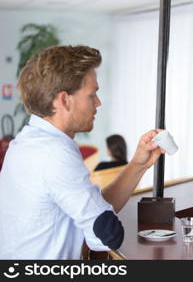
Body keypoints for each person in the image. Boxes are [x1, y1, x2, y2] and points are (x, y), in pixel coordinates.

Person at [0, 45, 164, 259]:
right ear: (64, 100)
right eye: (92, 94)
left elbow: (92, 211)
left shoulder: (26, 143)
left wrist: (139, 164)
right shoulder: (54, 153)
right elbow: (107, 235)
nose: (98, 102)